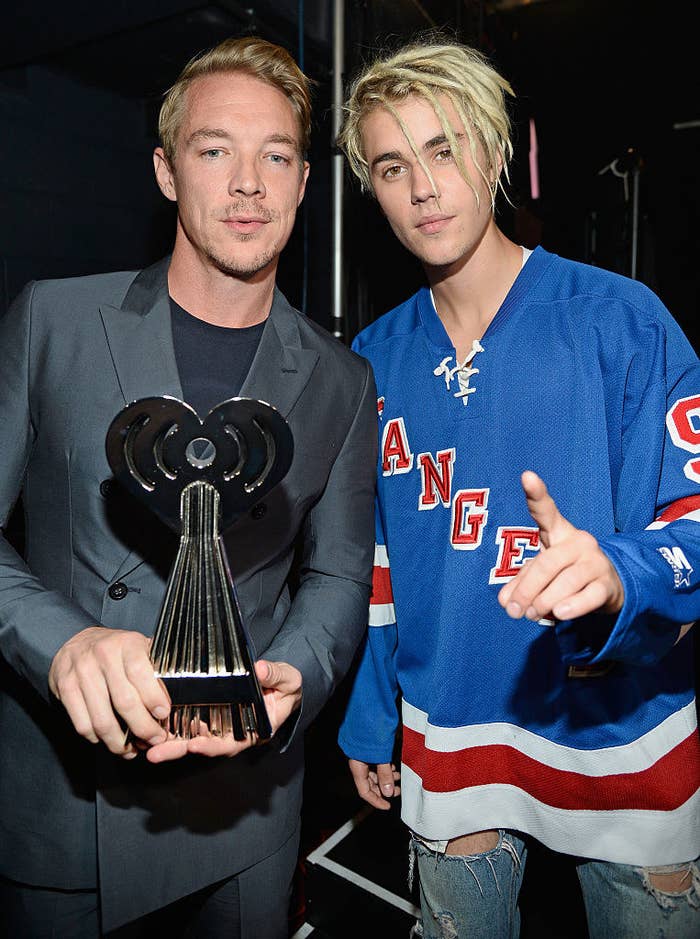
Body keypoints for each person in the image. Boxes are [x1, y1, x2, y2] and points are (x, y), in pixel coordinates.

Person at [0, 36, 377, 939]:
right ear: (168, 172)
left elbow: (337, 576)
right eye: (216, 150)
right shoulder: (52, 320)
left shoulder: (342, 380)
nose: (248, 183)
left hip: (243, 810)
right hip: (64, 807)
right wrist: (58, 643)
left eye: (275, 156)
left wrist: (298, 670)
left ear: (300, 184)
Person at [336, 36, 700, 938]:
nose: (423, 185)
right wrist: (371, 714)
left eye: (445, 148)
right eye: (392, 164)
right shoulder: (370, 362)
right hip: (451, 729)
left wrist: (621, 571)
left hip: (627, 730)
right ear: (371, 188)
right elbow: (376, 562)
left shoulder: (621, 319)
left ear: (496, 155)